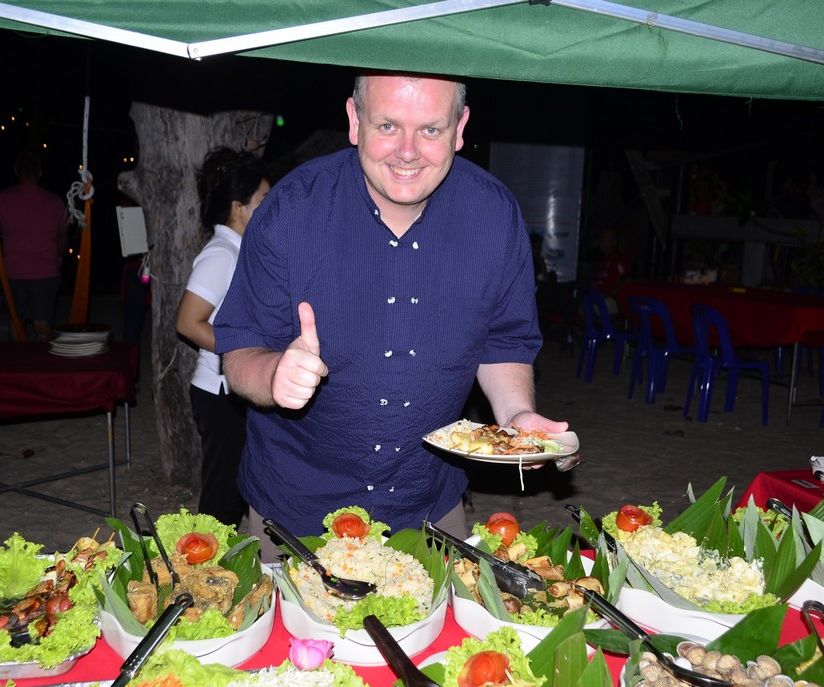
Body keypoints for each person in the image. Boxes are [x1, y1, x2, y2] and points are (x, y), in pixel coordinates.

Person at [213, 72, 567, 557]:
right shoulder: (291, 209)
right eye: (387, 126)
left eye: (430, 129)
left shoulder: (494, 214)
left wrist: (516, 416)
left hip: (429, 506)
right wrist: (275, 373)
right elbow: (239, 353)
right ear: (354, 120)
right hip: (294, 512)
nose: (407, 151)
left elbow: (504, 341)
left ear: (460, 128)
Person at [175, 148, 271, 527]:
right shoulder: (221, 255)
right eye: (263, 199)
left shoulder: (241, 251)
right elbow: (188, 322)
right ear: (238, 206)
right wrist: (245, 353)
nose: (270, 207)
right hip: (219, 393)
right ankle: (205, 559)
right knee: (221, 502)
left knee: (240, 488)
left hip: (235, 389)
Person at [0, 150, 69, 340]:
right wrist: (59, 256)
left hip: (13, 271)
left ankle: (20, 358)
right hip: (45, 271)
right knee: (43, 325)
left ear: (16, 171)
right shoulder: (55, 201)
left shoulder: (0, 198)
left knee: (16, 323)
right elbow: (63, 235)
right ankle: (41, 359)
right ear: (39, 172)